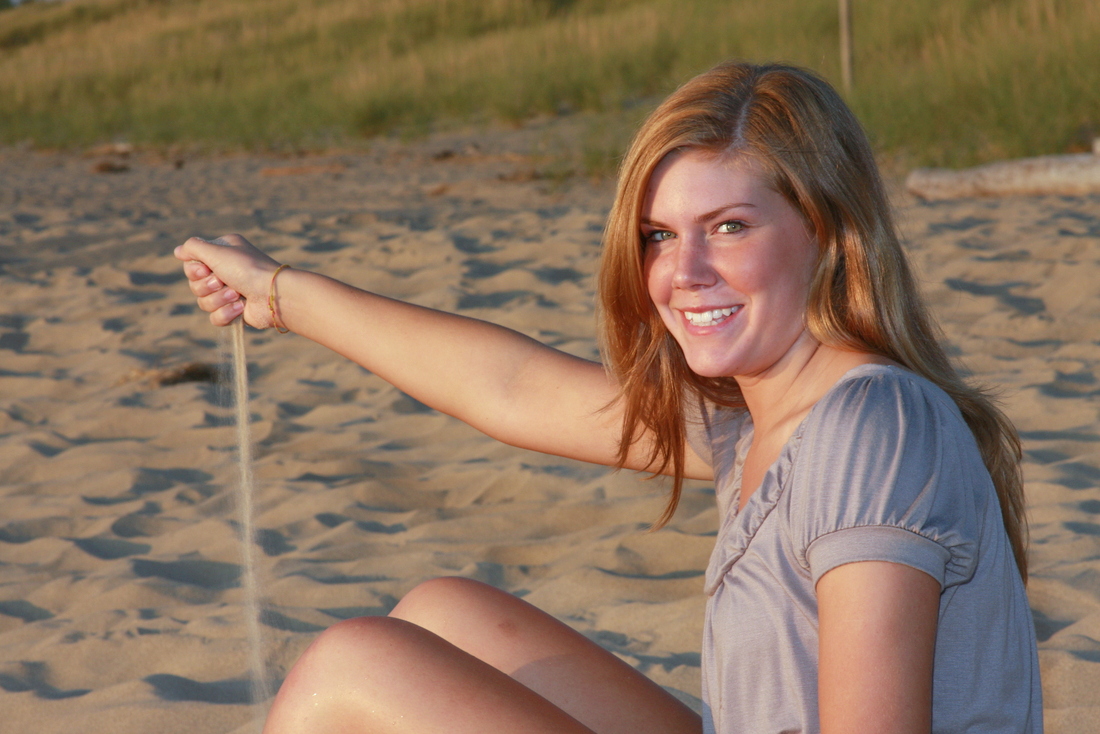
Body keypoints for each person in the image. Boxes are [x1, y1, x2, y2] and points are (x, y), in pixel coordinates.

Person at [176, 61, 1042, 734]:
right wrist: (279, 294)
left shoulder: (873, 427)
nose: (684, 272)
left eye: (729, 227)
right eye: (659, 235)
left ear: (826, 233)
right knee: (442, 614)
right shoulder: (764, 421)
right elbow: (510, 387)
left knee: (350, 666)